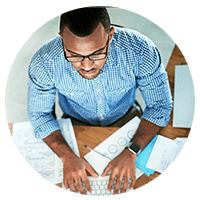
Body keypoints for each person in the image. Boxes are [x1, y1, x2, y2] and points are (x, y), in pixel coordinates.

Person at [27, 7, 173, 195]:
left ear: (110, 35)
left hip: (127, 118)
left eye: (96, 54)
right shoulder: (44, 62)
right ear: (62, 38)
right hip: (75, 122)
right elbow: (39, 115)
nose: (87, 66)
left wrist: (132, 152)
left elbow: (159, 105)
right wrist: (67, 156)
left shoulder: (141, 50)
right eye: (74, 55)